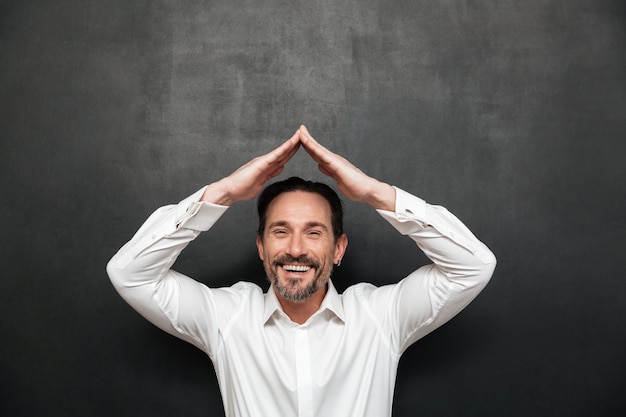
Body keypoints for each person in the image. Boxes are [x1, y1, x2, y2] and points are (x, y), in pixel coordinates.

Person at [107, 125, 496, 417]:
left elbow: (473, 266)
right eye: (280, 232)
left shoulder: (382, 317)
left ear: (338, 249)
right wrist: (221, 194)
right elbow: (130, 273)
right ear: (261, 247)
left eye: (314, 232)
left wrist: (374, 193)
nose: (295, 248)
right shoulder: (225, 318)